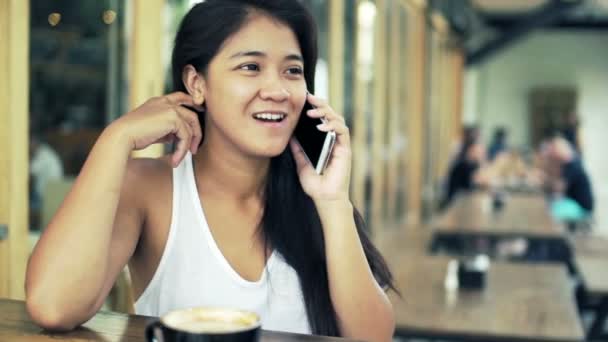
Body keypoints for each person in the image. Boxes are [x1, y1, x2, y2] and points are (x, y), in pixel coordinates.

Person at [25, 1, 396, 341]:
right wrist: (116, 138)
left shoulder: (314, 197)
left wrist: (333, 203)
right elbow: (53, 306)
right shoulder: (150, 189)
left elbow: (373, 337)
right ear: (196, 84)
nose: (278, 90)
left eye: (292, 71)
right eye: (251, 67)